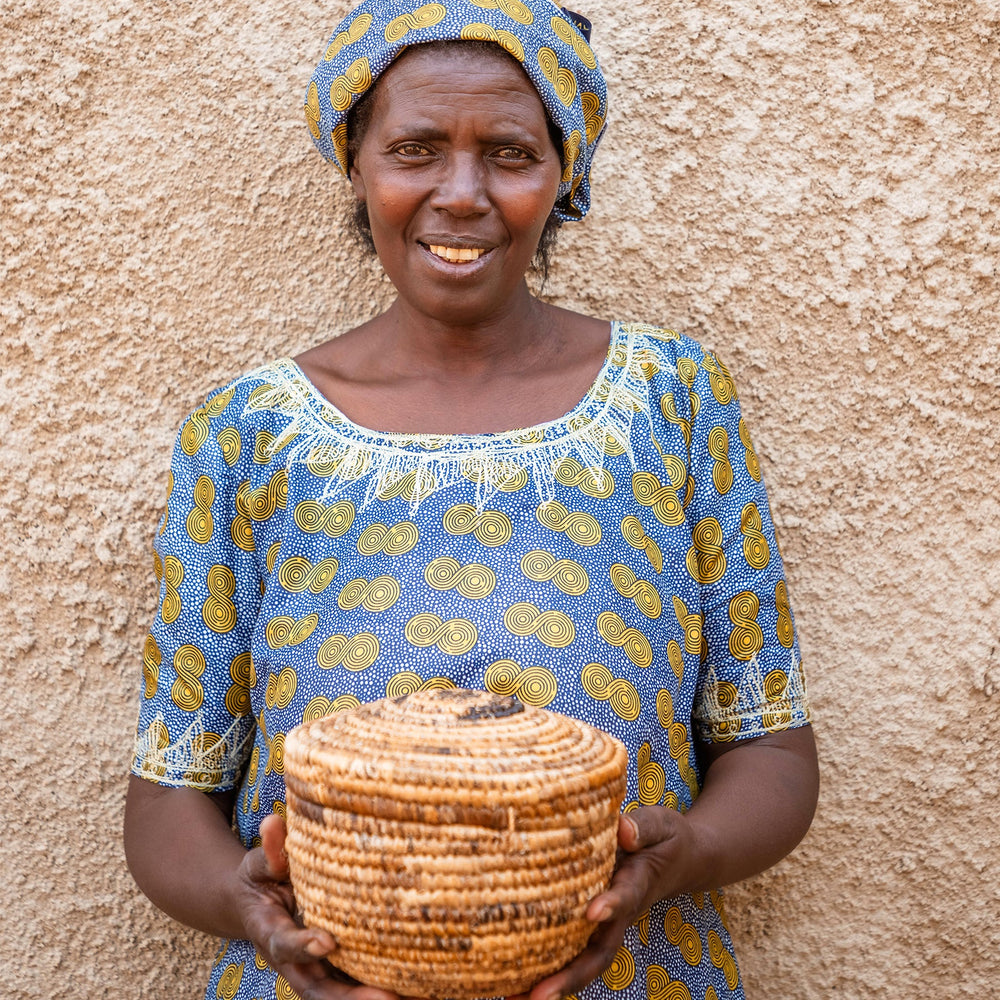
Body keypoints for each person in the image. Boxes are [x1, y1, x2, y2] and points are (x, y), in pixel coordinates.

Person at [124, 2, 819, 999]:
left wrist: (681, 854)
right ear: (356, 164)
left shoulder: (673, 399)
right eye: (414, 149)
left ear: (562, 171)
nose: (460, 193)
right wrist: (250, 909)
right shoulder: (244, 435)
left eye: (508, 152)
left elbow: (770, 743)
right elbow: (166, 797)